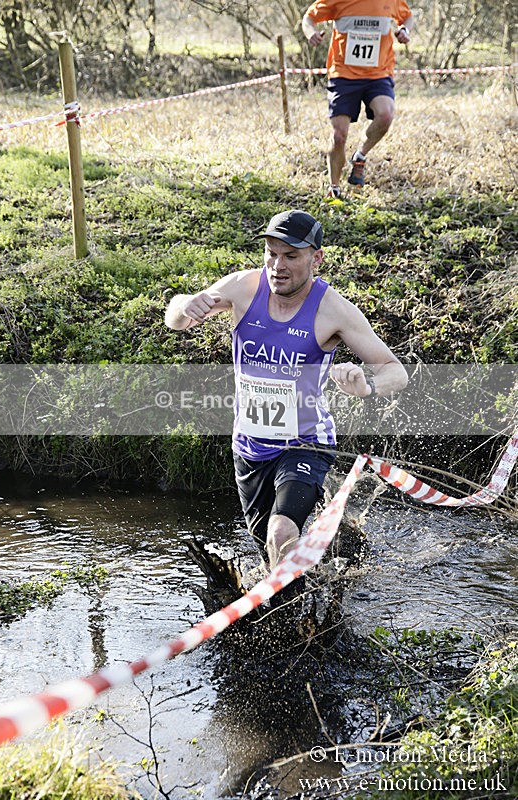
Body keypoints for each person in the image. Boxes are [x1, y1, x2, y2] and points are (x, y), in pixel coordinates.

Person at [165, 209, 408, 576]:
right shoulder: (243, 288)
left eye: (291, 256)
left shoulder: (332, 310)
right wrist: (185, 305)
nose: (278, 265)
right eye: (272, 253)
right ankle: (329, 560)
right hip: (249, 446)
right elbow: (175, 320)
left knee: (281, 533)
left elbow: (396, 372)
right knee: (271, 551)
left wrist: (367, 384)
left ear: (316, 257)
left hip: (305, 442)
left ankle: (294, 624)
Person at [301, 0, 414, 195]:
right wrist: (310, 34)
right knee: (339, 136)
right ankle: (334, 188)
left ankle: (360, 156)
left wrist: (405, 30)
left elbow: (407, 17)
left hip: (378, 73)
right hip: (343, 75)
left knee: (385, 115)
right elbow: (308, 18)